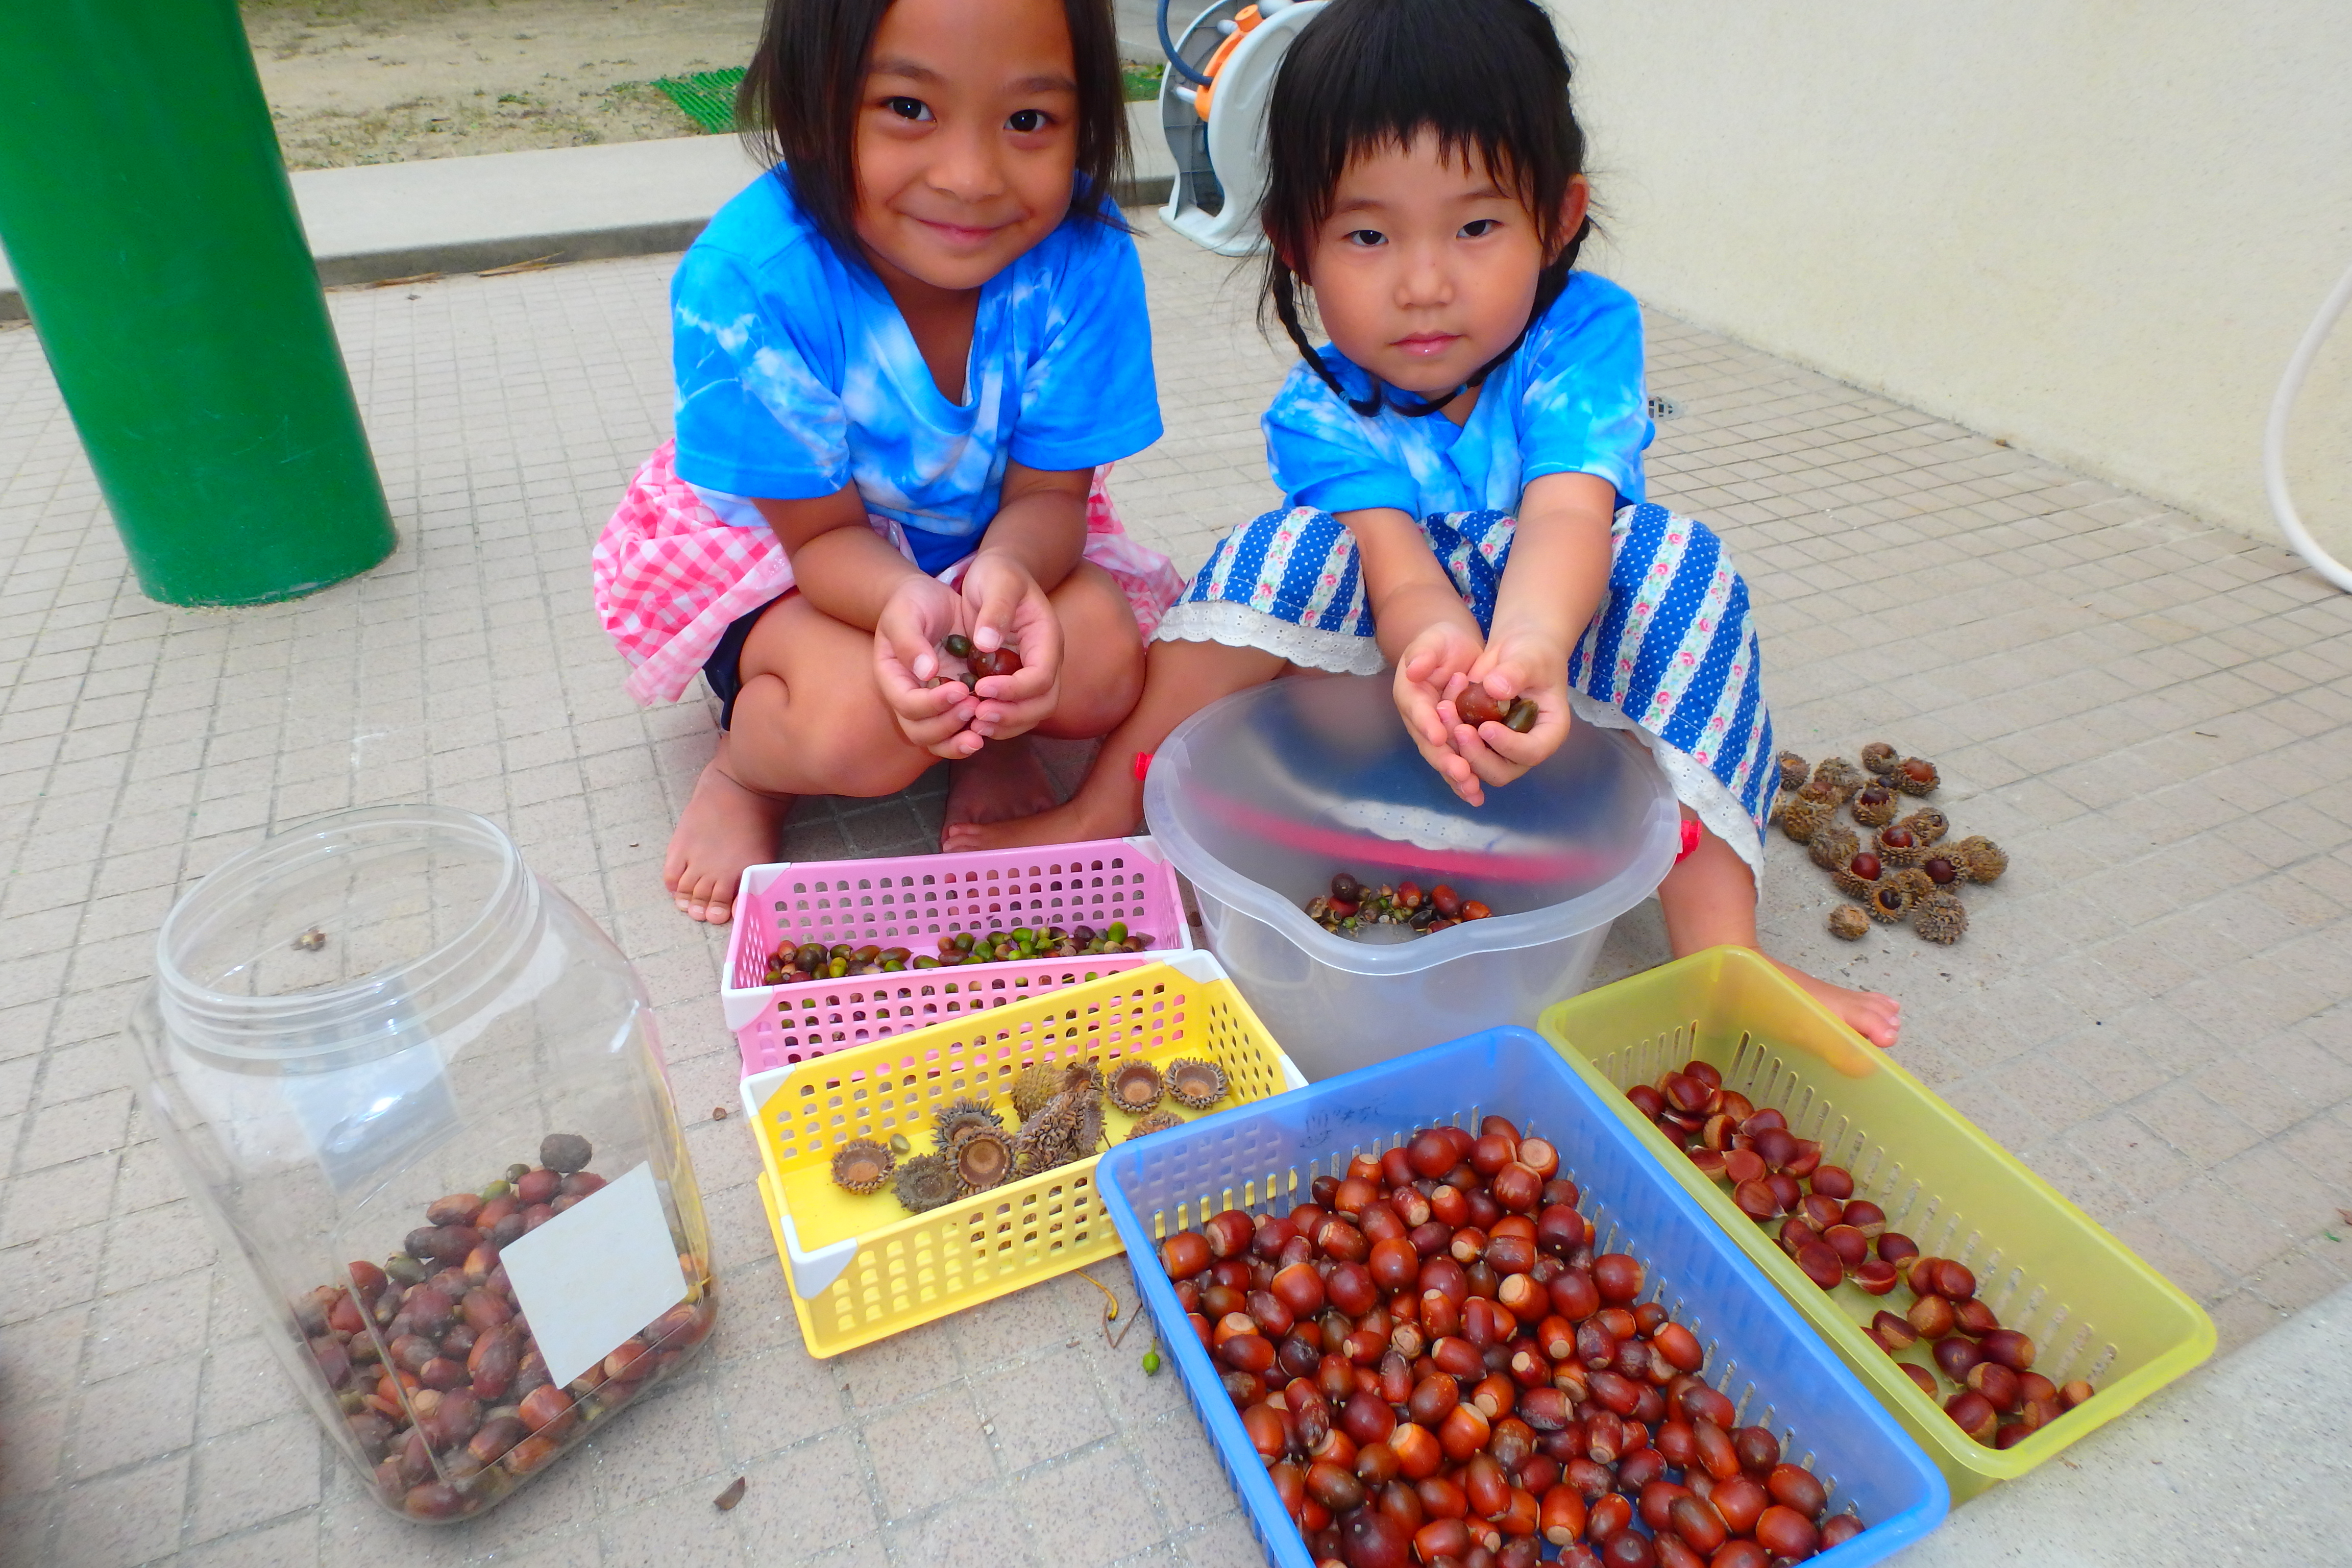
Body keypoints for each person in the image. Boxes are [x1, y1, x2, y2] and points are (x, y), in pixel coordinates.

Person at [948, 0, 1901, 1045]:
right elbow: (1399, 575)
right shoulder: (1319, 411)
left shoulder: (1581, 336)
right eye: (1366, 233)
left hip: (1561, 689)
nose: (1424, 283)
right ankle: (1104, 816)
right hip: (1383, 700)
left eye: (1478, 226)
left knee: (1680, 561)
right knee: (1287, 546)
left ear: (1560, 213)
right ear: (1296, 245)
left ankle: (1724, 952)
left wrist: (1527, 650)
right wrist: (1438, 647)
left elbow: (1568, 517)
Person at [593, 0, 1182, 923]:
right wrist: (909, 604)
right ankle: (748, 770)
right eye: (909, 107)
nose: (972, 178)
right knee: (861, 732)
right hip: (790, 562)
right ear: (812, 101)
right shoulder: (751, 280)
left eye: (1029, 121)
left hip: (985, 539)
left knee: (1103, 661)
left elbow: (1050, 496)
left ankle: (986, 737)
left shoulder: (1085, 257)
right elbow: (821, 538)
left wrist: (1009, 574)